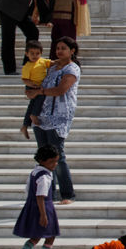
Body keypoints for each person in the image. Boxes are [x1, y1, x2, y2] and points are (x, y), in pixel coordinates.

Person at [32, 37, 81, 202]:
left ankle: (67, 194)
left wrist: (40, 92)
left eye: (63, 48)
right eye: (57, 48)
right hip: (42, 115)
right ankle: (47, 193)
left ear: (72, 51)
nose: (59, 51)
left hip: (59, 116)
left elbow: (61, 90)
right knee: (43, 156)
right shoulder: (52, 68)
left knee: (57, 156)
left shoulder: (72, 69)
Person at [12, 146, 61, 249]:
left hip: (32, 206)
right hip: (44, 207)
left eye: (56, 161)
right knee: (50, 236)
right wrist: (43, 215)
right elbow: (41, 195)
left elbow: (28, 190)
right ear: (43, 161)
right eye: (52, 162)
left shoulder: (34, 172)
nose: (55, 164)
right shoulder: (45, 176)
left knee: (36, 236)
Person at [0, 0, 41, 75]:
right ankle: (9, 69)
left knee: (33, 32)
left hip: (21, 12)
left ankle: (28, 63)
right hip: (8, 10)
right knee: (8, 39)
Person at [19, 38, 49, 138]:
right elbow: (25, 79)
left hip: (39, 85)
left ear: (41, 54)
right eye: (32, 53)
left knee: (32, 105)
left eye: (37, 53)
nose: (35, 56)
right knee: (40, 98)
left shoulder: (42, 61)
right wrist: (33, 86)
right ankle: (34, 115)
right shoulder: (27, 66)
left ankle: (25, 125)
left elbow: (52, 62)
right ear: (26, 54)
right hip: (32, 86)